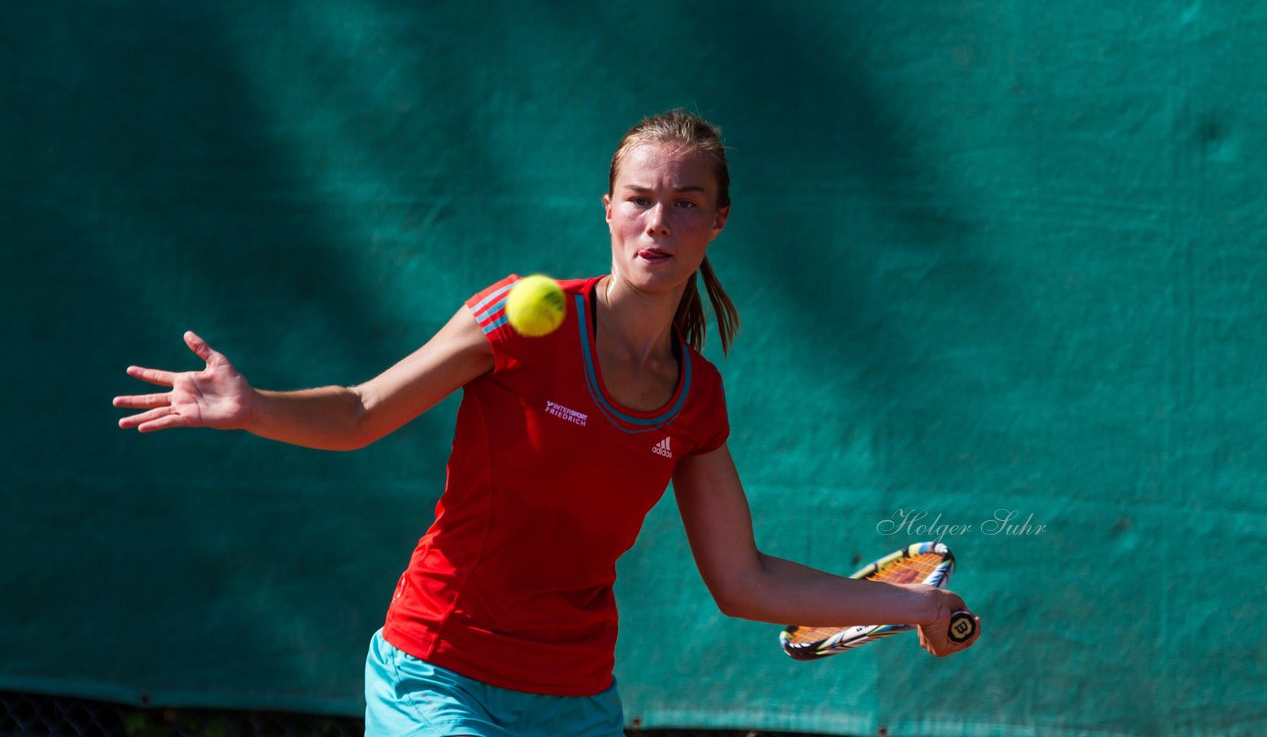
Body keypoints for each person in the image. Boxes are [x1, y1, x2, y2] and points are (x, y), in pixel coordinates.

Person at [114, 110, 980, 736]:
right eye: (640, 197)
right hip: (438, 677)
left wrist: (912, 609)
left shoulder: (695, 403)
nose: (659, 220)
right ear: (607, 208)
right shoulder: (518, 322)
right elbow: (362, 411)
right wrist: (256, 407)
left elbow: (743, 580)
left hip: (574, 702)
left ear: (717, 223)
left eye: (686, 203)